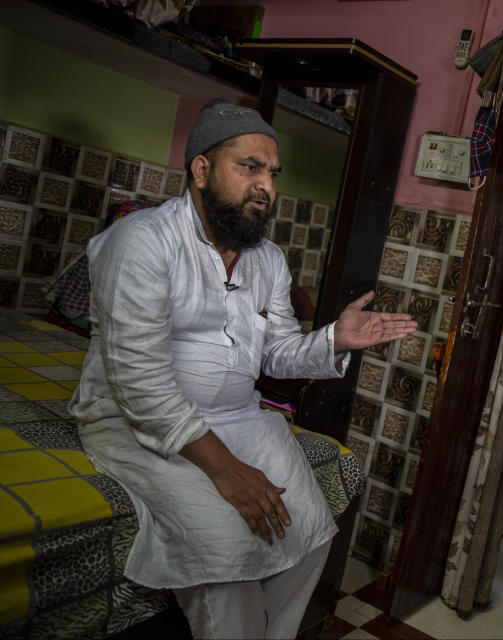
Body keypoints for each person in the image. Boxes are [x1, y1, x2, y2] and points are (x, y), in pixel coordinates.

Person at [69, 98, 417, 639]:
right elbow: (139, 384)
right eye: (249, 167)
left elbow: (277, 352)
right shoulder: (140, 242)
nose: (267, 188)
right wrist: (226, 472)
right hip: (138, 424)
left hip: (238, 418)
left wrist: (332, 339)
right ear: (201, 170)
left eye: (272, 174)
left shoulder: (268, 259)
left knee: (312, 530)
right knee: (225, 553)